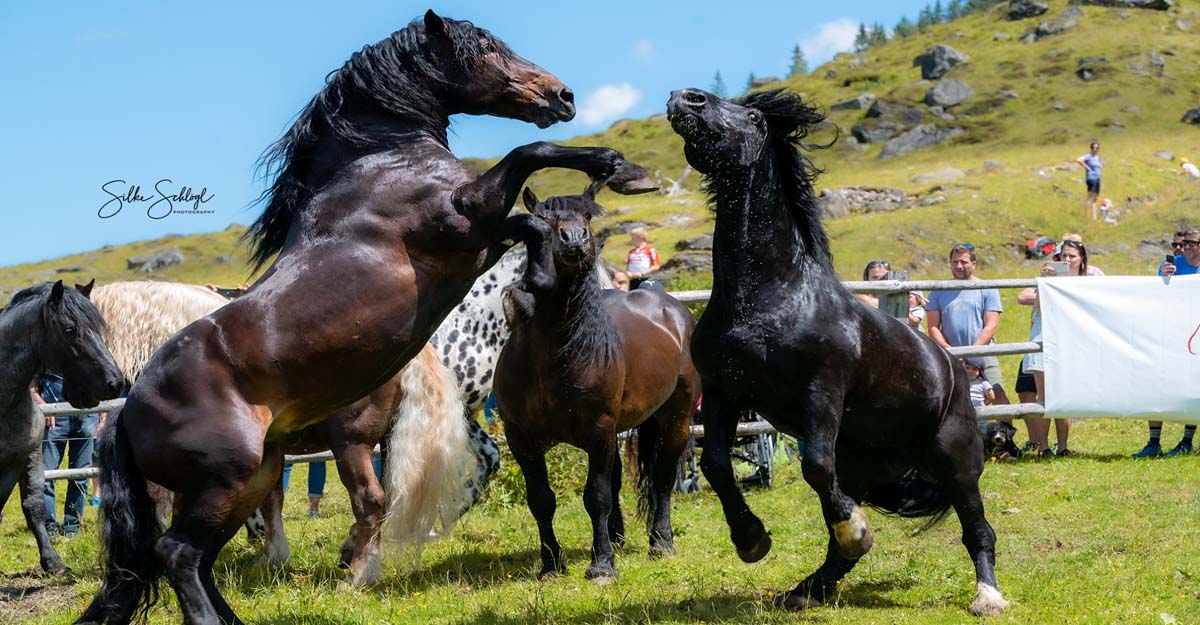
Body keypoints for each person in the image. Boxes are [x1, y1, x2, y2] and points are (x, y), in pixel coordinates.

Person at [1017, 240, 1102, 457]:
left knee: (1063, 394)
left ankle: (1063, 446)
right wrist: (1045, 284)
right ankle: (1044, 447)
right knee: (1043, 394)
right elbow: (1033, 306)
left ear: (1081, 259)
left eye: (1072, 256)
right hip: (1044, 333)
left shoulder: (1088, 281)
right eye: (1063, 256)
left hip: (1070, 338)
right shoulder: (1047, 280)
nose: (1067, 260)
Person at [1134, 227, 1200, 457]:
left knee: (1194, 387)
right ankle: (1154, 442)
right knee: (1157, 383)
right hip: (1170, 332)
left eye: (1191, 243)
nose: (1184, 248)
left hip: (1195, 336)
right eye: (1179, 245)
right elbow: (1156, 298)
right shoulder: (1171, 265)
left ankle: (1186, 441)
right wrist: (1164, 278)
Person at [927, 244, 1010, 406]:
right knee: (950, 397)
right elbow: (933, 327)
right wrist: (950, 350)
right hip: (950, 354)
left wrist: (972, 351)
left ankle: (1003, 430)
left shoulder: (987, 288)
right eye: (955, 262)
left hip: (983, 351)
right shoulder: (938, 290)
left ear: (974, 263)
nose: (959, 266)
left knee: (997, 393)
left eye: (964, 262)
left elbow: (991, 325)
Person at [32, 371, 101, 537]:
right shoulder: (47, 353)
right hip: (54, 418)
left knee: (81, 473)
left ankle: (72, 525)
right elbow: (31, 388)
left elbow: (103, 381)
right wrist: (43, 406)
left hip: (87, 415)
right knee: (47, 474)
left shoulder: (91, 351)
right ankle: (49, 526)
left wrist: (103, 415)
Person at [1076, 141, 1102, 221]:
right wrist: (1086, 167)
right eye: (1094, 148)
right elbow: (1078, 160)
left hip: (1097, 179)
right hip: (1091, 178)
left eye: (1097, 148)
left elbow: (1099, 166)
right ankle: (1087, 216)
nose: (1096, 149)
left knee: (1095, 198)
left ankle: (1094, 217)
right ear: (1091, 148)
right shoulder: (1088, 156)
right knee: (1090, 197)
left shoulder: (1098, 157)